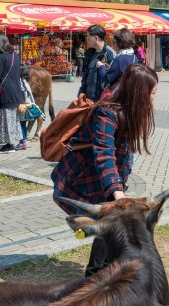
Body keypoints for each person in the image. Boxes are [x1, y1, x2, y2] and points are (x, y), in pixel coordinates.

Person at [51, 64, 159, 276]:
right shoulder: (106, 113)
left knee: (108, 222)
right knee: (108, 220)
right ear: (139, 91)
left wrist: (119, 185)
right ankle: (95, 274)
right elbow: (104, 154)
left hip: (109, 179)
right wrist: (116, 191)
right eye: (152, 92)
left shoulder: (130, 109)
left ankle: (103, 270)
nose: (155, 97)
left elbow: (121, 154)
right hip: (86, 178)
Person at [0, 33, 25, 154]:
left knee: (5, 118)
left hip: (5, 92)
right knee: (13, 119)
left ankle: (9, 145)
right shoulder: (15, 55)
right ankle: (14, 142)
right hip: (16, 91)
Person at [79, 24, 116, 101]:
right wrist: (81, 92)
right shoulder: (90, 53)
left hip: (102, 99)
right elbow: (86, 76)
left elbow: (112, 79)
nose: (87, 39)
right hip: (88, 98)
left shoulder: (110, 54)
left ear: (96, 38)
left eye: (88, 36)